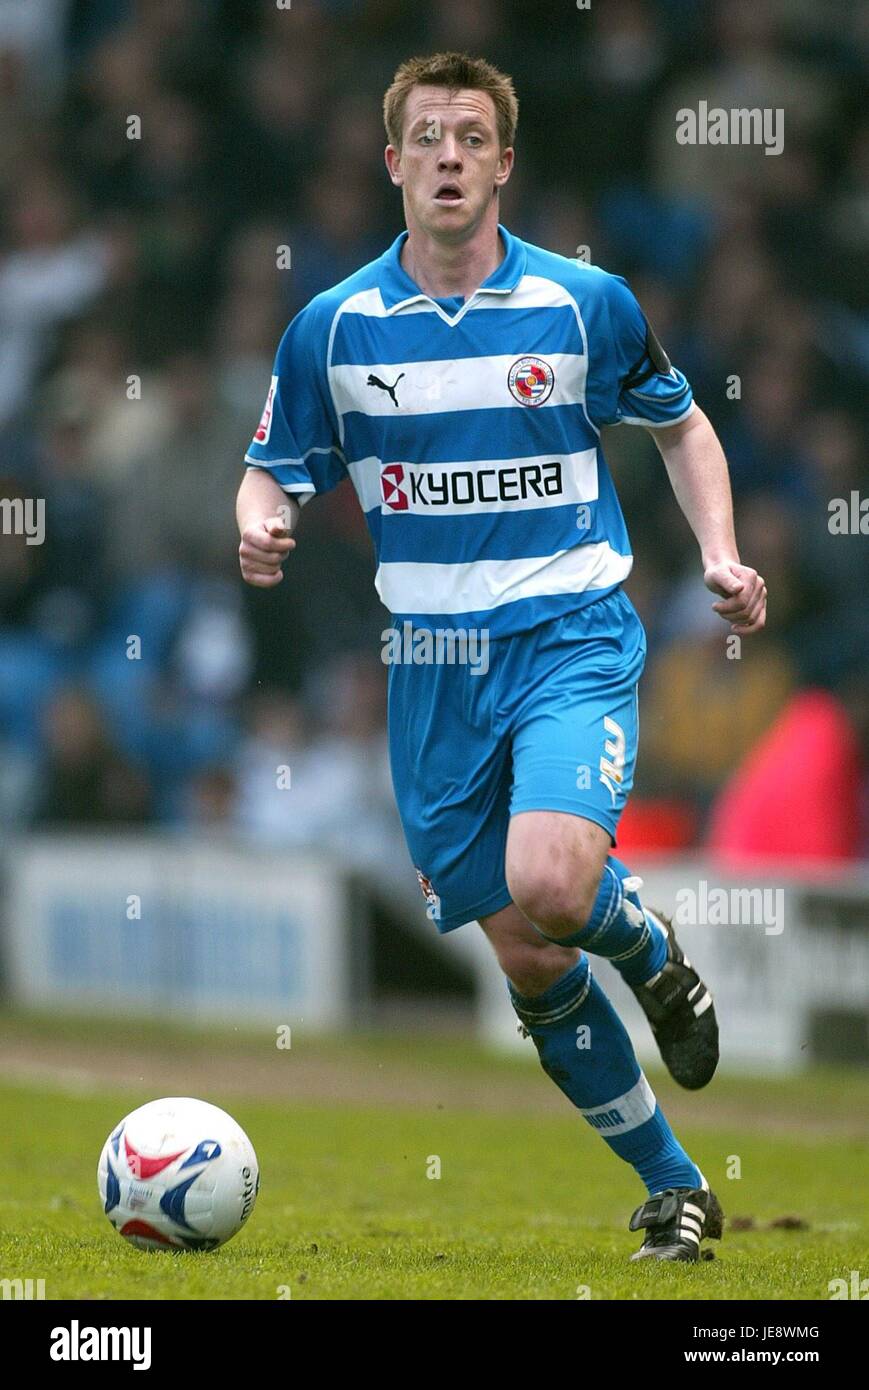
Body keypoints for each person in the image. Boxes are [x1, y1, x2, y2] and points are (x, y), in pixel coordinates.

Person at [235, 52, 767, 1262]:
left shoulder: (584, 303)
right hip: (430, 667)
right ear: (392, 164)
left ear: (502, 164)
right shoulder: (333, 327)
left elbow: (681, 425)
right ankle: (674, 1188)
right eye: (426, 138)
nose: (448, 158)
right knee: (529, 958)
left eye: (471, 138)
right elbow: (273, 460)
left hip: (568, 636)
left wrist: (721, 556)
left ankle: (651, 952)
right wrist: (256, 516)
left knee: (553, 884)